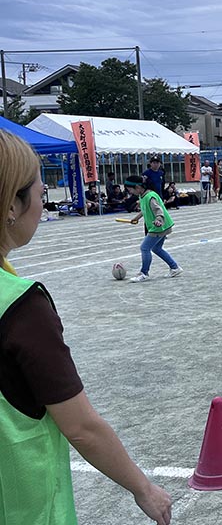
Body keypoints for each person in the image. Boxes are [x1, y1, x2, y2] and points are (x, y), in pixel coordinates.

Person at [0, 130, 172, 524]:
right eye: (37, 185)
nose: (44, 192)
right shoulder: (20, 307)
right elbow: (81, 428)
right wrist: (143, 488)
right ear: (12, 203)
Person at [124, 175, 183, 283]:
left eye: (130, 190)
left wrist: (159, 220)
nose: (130, 192)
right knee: (156, 248)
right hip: (162, 226)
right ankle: (175, 268)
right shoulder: (143, 196)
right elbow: (145, 209)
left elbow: (158, 210)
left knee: (144, 248)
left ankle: (144, 273)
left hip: (159, 227)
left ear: (137, 187)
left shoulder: (150, 196)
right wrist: (136, 218)